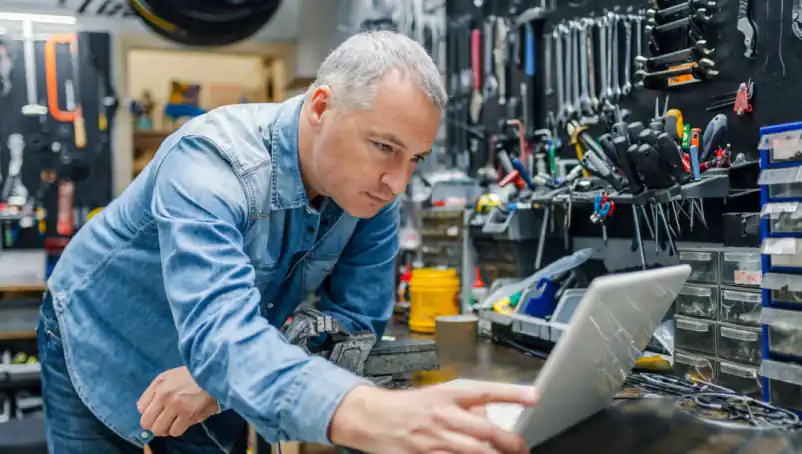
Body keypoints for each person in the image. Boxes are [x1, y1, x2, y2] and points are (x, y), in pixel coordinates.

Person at [38, 30, 538, 454]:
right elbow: (220, 336)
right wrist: (367, 412)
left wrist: (216, 384)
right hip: (101, 333)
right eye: (384, 147)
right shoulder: (210, 164)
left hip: (216, 367)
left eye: (415, 159)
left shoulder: (370, 196)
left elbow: (354, 322)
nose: (397, 183)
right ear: (322, 107)